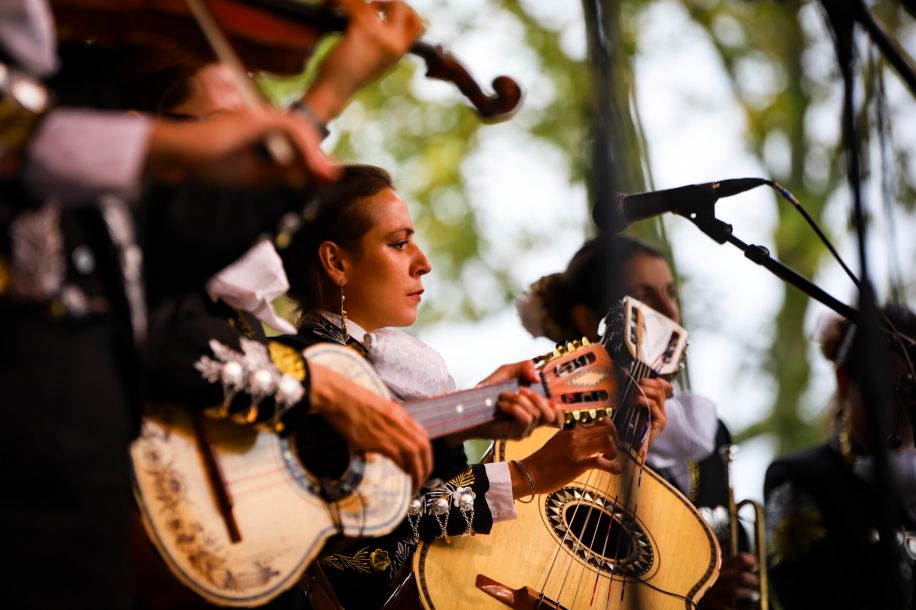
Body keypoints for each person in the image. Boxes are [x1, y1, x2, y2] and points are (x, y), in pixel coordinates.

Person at [0, 2, 425, 608]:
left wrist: (326, 97)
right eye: (227, 126)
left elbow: (199, 229)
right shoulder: (50, 162)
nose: (252, 138)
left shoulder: (175, 259)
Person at [278, 165, 663, 608]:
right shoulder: (290, 373)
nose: (423, 262)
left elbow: (434, 527)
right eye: (399, 243)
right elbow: (372, 534)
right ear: (336, 263)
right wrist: (525, 474)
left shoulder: (406, 378)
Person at [516, 234, 761, 609]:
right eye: (644, 297)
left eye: (671, 293)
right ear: (589, 320)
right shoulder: (558, 434)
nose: (670, 311)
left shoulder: (709, 428)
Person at [764, 304, 916, 609]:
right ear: (844, 382)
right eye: (888, 393)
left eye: (913, 395)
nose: (904, 416)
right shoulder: (800, 479)